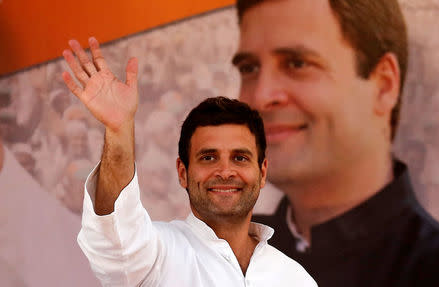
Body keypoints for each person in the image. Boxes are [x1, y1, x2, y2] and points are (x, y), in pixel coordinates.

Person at [231, 0, 439, 286]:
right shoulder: (221, 257)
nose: (260, 96)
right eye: (249, 68)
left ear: (383, 84)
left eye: (297, 63)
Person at [62, 37, 317, 286]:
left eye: (240, 158)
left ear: (262, 173)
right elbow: (115, 237)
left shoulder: (295, 278)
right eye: (208, 157)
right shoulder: (157, 255)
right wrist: (119, 130)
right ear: (182, 172)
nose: (225, 171)